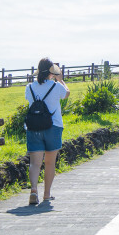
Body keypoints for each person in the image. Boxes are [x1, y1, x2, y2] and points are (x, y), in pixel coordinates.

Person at [25, 58, 69, 206]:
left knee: (34, 163)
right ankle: (46, 195)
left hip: (33, 127)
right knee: (50, 162)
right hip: (53, 127)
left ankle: (33, 191)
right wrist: (60, 80)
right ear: (51, 72)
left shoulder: (29, 87)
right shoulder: (57, 86)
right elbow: (67, 94)